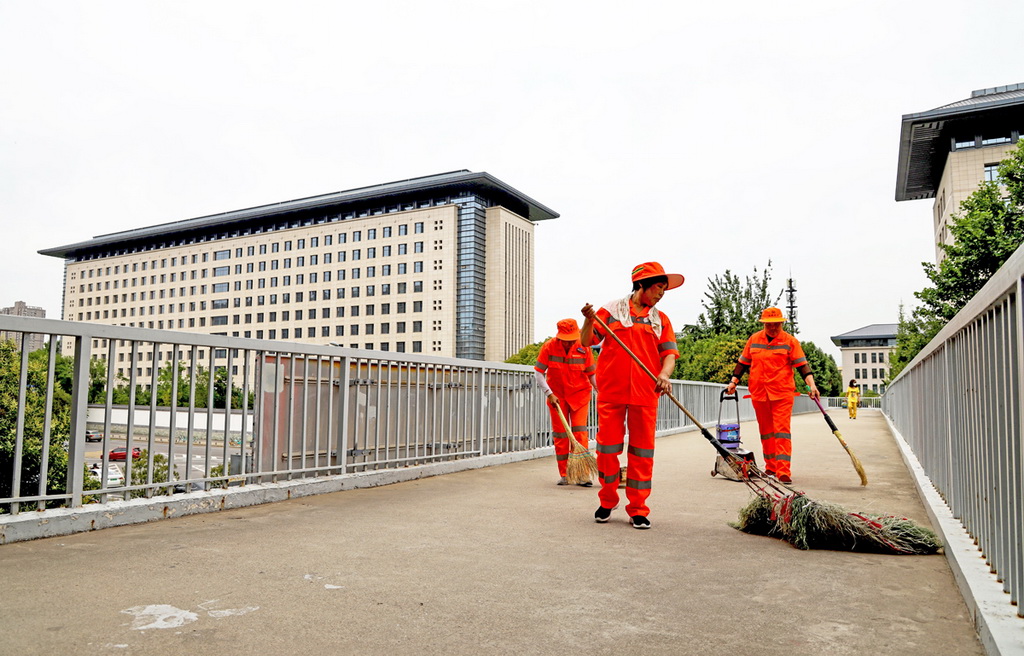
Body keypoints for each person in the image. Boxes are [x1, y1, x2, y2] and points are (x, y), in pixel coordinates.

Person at [581, 261, 683, 529]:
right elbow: (586, 341)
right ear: (642, 285)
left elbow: (669, 354)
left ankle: (638, 508)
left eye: (664, 289)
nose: (661, 293)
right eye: (658, 288)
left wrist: (664, 375)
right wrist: (588, 320)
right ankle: (607, 500)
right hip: (611, 392)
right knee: (606, 449)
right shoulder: (611, 311)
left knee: (642, 453)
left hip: (645, 393)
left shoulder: (660, 320)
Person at [725, 307, 820, 485]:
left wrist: (812, 385)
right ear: (764, 324)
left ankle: (783, 471)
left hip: (782, 394)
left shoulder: (790, 342)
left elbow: (802, 366)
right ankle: (771, 467)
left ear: (782, 323)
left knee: (782, 432)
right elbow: (742, 363)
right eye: (769, 325)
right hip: (759, 393)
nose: (773, 328)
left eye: (776, 324)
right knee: (767, 433)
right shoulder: (754, 339)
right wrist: (733, 382)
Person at [534, 318, 597, 486]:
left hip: (580, 396)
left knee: (579, 434)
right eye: (565, 340)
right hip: (557, 398)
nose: (568, 344)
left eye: (571, 340)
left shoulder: (584, 346)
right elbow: (539, 373)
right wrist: (549, 393)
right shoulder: (549, 346)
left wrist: (600, 390)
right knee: (561, 436)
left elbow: (591, 374)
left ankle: (583, 474)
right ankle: (565, 474)